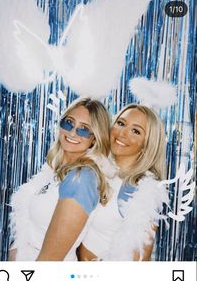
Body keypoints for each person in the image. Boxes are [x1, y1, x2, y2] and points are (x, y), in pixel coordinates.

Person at [9, 97, 112, 261]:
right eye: (69, 123)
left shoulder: (81, 178)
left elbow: (50, 259)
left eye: (84, 130)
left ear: (95, 139)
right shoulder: (57, 172)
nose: (72, 132)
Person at [78, 104, 169, 261]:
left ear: (147, 144)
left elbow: (138, 259)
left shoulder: (144, 189)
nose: (122, 133)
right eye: (121, 123)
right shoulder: (96, 168)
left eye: (136, 131)